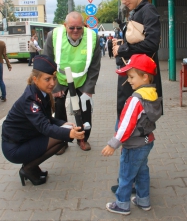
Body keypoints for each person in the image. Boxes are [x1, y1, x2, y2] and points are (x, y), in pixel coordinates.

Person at [111, 0, 163, 192]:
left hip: (140, 83)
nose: (123, 0)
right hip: (133, 80)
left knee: (129, 134)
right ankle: (135, 182)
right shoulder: (138, 12)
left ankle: (129, 184)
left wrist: (122, 49)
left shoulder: (147, 11)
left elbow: (151, 43)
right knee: (133, 136)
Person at [1, 55, 85, 186]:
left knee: (62, 135)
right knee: (62, 139)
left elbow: (47, 119)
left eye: (54, 78)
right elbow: (44, 127)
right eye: (47, 79)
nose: (52, 83)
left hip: (24, 139)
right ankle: (28, 168)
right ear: (35, 79)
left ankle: (32, 166)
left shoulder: (40, 92)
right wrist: (69, 133)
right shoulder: (31, 99)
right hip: (14, 148)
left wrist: (63, 124)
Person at [102, 54, 162, 215]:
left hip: (134, 145)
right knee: (142, 171)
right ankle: (143, 200)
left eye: (131, 76)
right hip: (147, 142)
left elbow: (126, 125)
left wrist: (113, 143)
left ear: (144, 77)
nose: (128, 80)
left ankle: (122, 204)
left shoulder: (135, 99)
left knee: (126, 174)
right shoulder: (153, 94)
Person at [44, 11, 101, 153]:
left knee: (85, 109)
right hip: (60, 80)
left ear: (84, 25)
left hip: (83, 80)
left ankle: (82, 139)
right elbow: (46, 62)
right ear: (65, 26)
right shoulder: (54, 36)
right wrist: (54, 87)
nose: (75, 31)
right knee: (58, 109)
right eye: (71, 28)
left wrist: (88, 89)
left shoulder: (93, 37)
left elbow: (95, 66)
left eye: (79, 27)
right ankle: (62, 142)